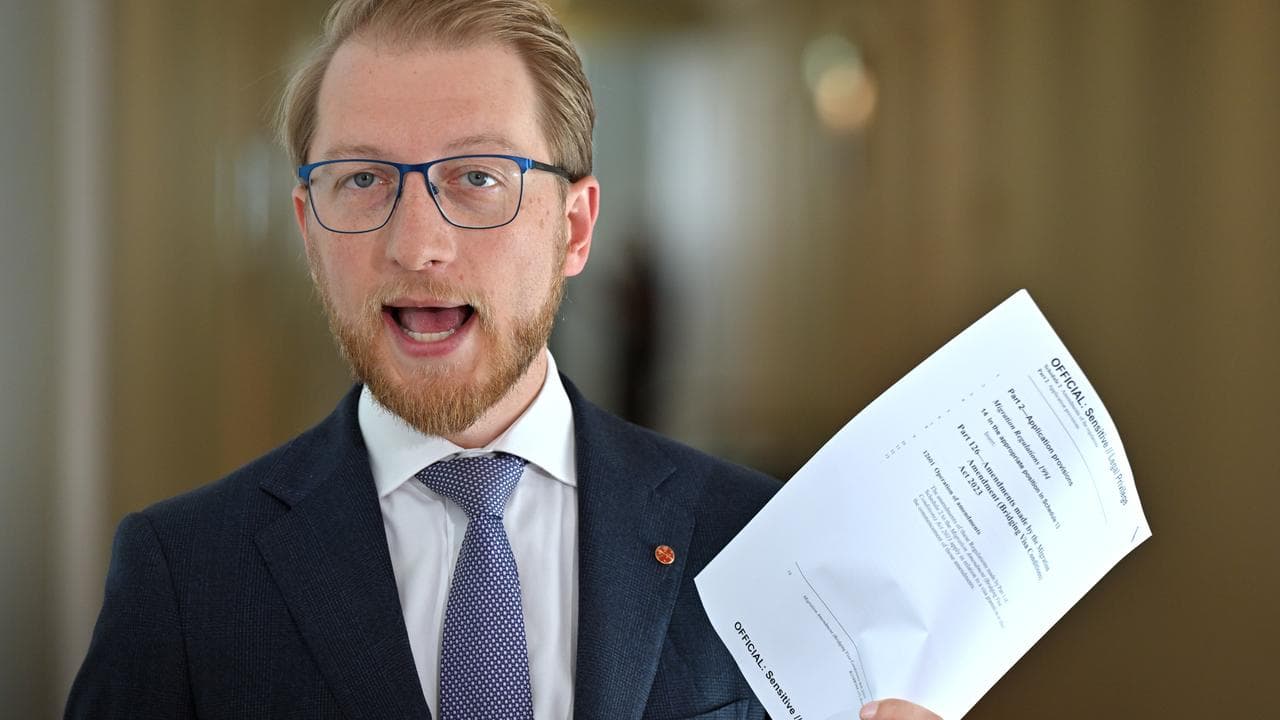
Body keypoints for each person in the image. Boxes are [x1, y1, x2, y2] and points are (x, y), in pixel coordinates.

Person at [65, 1, 940, 718]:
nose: (417, 245)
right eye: (362, 180)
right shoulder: (182, 579)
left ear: (574, 228)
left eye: (478, 177)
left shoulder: (760, 543)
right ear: (308, 232)